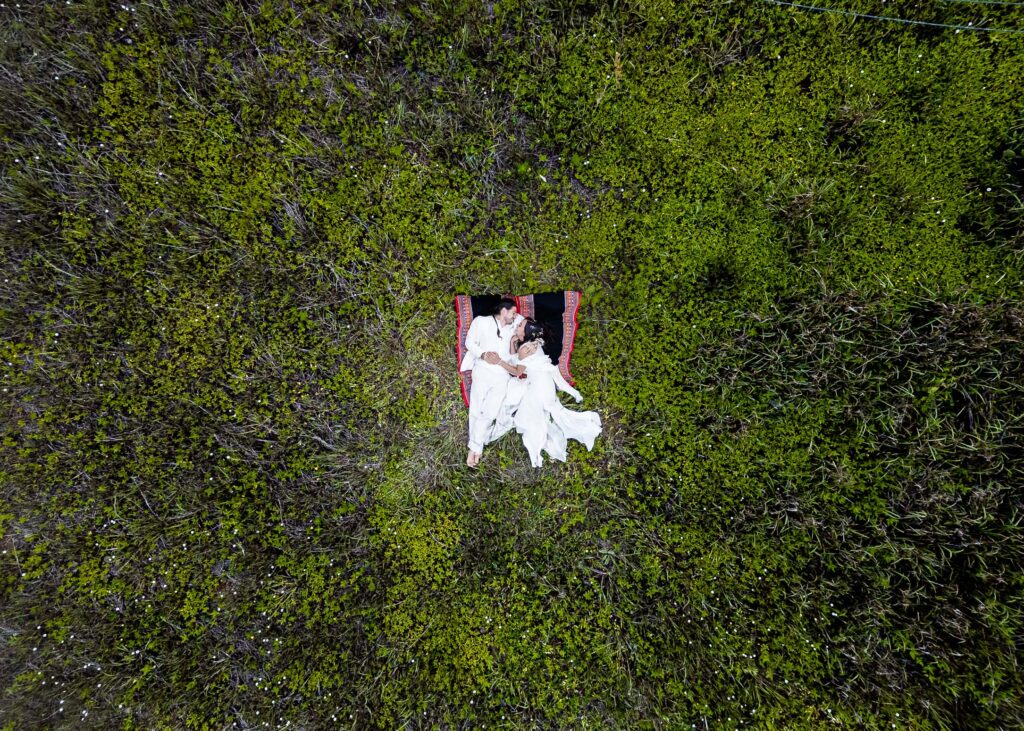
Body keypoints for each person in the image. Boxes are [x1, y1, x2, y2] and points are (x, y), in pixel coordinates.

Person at [509, 318, 601, 468]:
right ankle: (543, 446)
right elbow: (517, 361)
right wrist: (512, 343)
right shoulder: (534, 343)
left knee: (532, 419)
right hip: (546, 385)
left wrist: (499, 361)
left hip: (540, 388)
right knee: (548, 414)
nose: (517, 326)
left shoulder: (525, 348)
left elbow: (515, 371)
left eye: (520, 326)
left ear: (526, 333)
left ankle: (539, 450)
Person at [460, 298, 536, 467]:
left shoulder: (513, 331)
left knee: (491, 411)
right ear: (503, 311)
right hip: (483, 369)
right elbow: (469, 342)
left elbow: (512, 358)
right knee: (477, 407)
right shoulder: (481, 322)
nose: (515, 316)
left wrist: (512, 344)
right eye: (513, 312)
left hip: (502, 375)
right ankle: (476, 450)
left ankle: (475, 447)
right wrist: (483, 354)